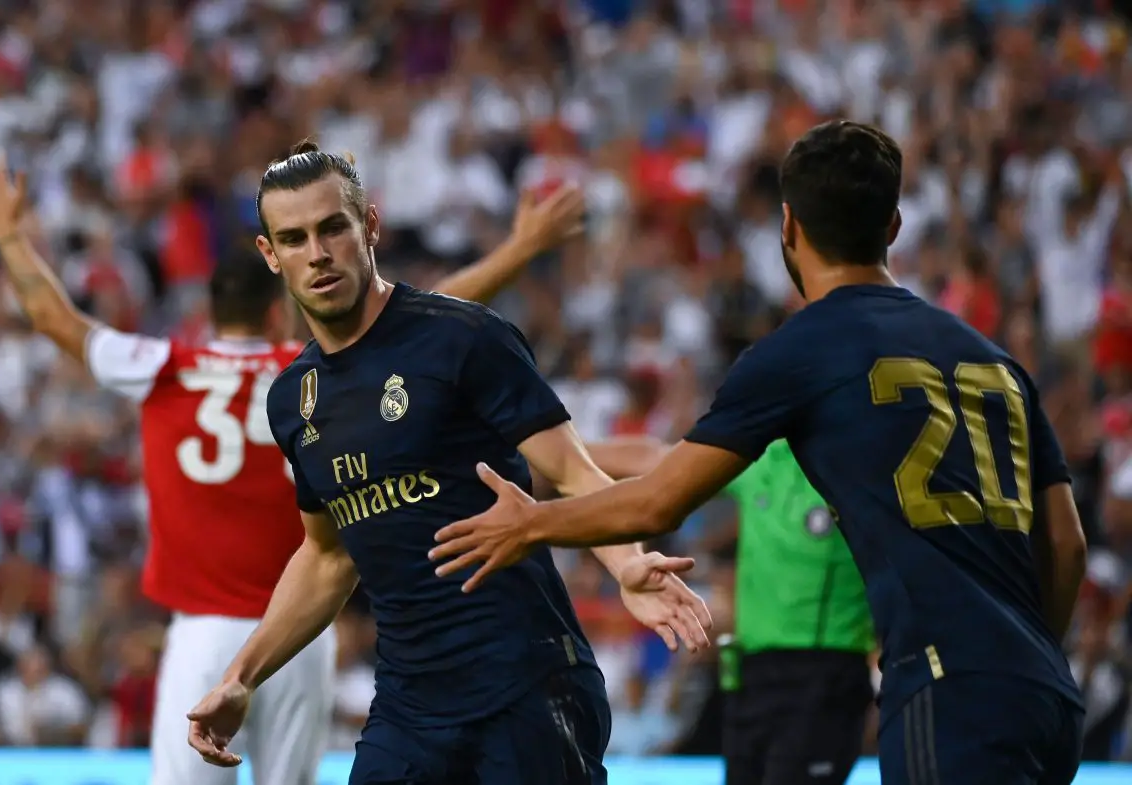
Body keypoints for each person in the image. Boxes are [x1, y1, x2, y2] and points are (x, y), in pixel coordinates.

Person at [430, 121, 1090, 785]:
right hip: (1046, 692)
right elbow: (1065, 544)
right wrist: (1026, 657)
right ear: (892, 226)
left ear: (788, 227)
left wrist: (532, 523)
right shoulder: (998, 362)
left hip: (947, 687)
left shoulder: (803, 349)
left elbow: (662, 496)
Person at [0, 146, 592, 785]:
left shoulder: (168, 367)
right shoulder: (313, 374)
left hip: (215, 632)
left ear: (208, 315)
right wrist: (519, 251)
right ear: (275, 297)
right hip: (302, 632)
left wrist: (8, 236)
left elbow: (56, 319)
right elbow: (422, 321)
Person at [183, 141, 712, 785]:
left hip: (525, 682)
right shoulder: (292, 399)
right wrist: (242, 677)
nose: (316, 253)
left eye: (332, 229)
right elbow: (327, 556)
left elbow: (572, 470)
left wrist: (628, 562)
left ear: (369, 226)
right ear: (271, 255)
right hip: (410, 705)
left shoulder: (463, 337)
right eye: (293, 239)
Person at [588, 436, 874, 785]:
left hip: (825, 673)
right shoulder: (763, 460)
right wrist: (547, 448)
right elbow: (655, 457)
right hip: (749, 673)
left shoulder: (862, 468)